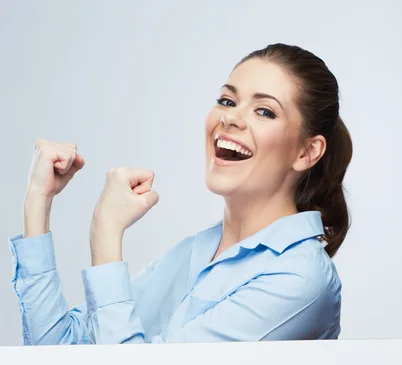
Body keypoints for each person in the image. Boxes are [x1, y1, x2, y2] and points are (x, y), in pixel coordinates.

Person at [9, 43, 353, 345]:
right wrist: (38, 201)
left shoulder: (299, 278)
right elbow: (56, 356)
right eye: (226, 100)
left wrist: (106, 235)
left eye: (264, 111)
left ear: (306, 153)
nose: (231, 118)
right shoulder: (192, 254)